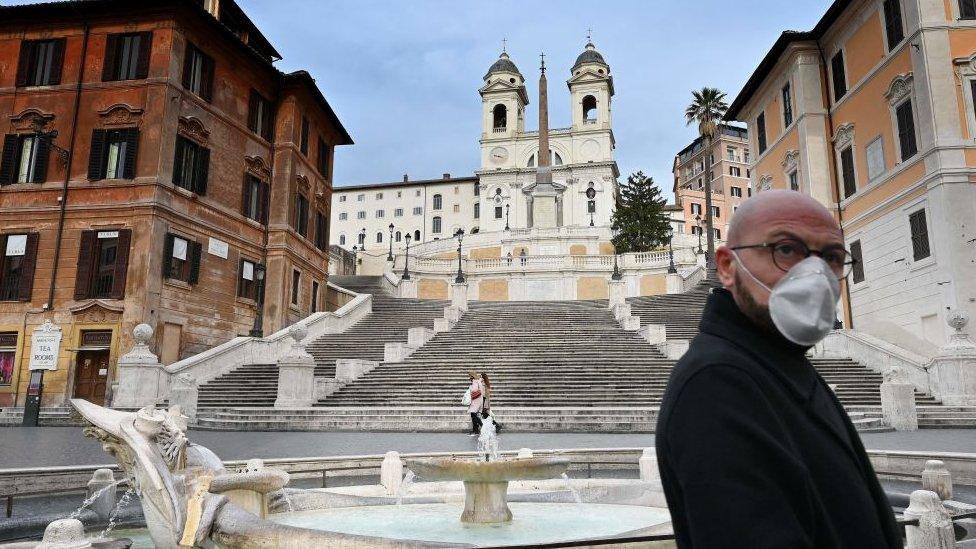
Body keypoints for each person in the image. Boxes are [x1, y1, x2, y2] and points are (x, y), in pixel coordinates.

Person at [655, 190, 901, 548]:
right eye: (786, 250)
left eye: (831, 257)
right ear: (726, 266)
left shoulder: (779, 360)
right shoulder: (716, 385)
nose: (815, 274)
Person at [467, 370, 486, 436]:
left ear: (472, 376)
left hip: (476, 400)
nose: (469, 378)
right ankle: (475, 430)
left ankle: (482, 427)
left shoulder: (475, 381)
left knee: (474, 414)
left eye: (470, 376)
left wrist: (470, 389)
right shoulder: (479, 381)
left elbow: (474, 390)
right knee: (473, 415)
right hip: (479, 399)